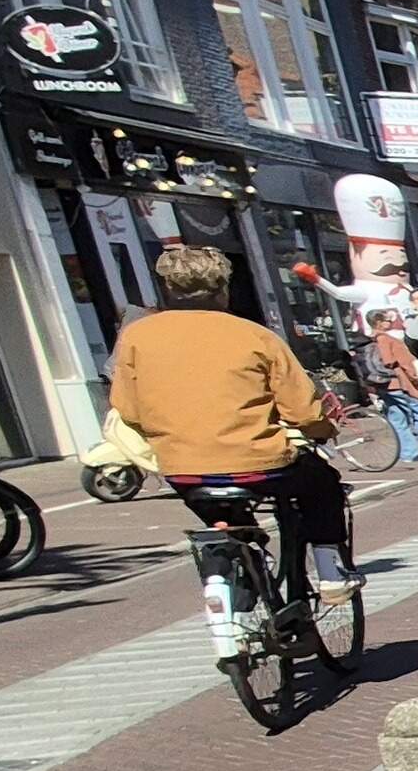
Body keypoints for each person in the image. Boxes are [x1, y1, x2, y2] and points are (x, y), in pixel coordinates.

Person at [109, 244, 356, 594]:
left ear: (166, 289)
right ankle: (331, 572)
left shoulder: (137, 336)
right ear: (224, 289)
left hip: (183, 469)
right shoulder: (255, 336)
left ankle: (248, 568)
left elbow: (127, 408)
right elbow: (302, 411)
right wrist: (323, 429)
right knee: (322, 484)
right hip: (261, 464)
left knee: (226, 521)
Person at [366, 309, 418, 463]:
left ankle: (409, 454)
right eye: (387, 320)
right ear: (378, 322)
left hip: (386, 385)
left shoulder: (371, 340)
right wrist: (413, 378)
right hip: (401, 383)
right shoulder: (384, 339)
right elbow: (392, 362)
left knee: (398, 418)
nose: (390, 322)